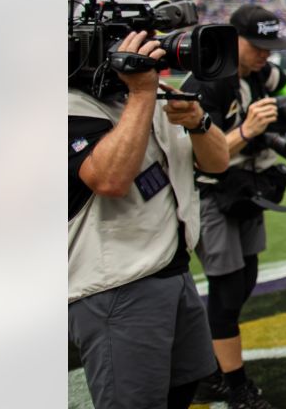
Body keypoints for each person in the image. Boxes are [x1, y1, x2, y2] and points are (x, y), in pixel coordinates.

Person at [69, 30, 229, 409]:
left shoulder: (153, 98)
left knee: (183, 387)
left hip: (173, 267)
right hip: (117, 284)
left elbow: (217, 162)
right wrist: (141, 94)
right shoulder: (70, 107)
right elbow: (109, 179)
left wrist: (197, 121)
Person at [181, 4, 286, 409]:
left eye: (270, 46)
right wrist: (247, 130)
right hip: (213, 192)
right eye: (258, 46)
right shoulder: (207, 81)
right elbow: (196, 157)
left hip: (248, 190)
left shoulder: (265, 73)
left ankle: (209, 368)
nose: (266, 54)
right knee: (227, 293)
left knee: (245, 281)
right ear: (233, 39)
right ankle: (234, 386)